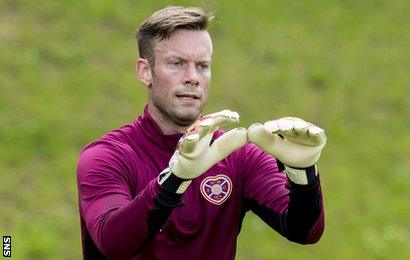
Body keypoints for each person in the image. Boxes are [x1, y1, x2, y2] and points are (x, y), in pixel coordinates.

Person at [77, 6, 326, 259]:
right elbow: (113, 243)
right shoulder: (106, 157)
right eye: (176, 64)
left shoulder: (238, 156)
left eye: (203, 66)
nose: (193, 77)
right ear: (145, 71)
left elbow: (305, 231)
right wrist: (175, 179)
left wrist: (304, 175)